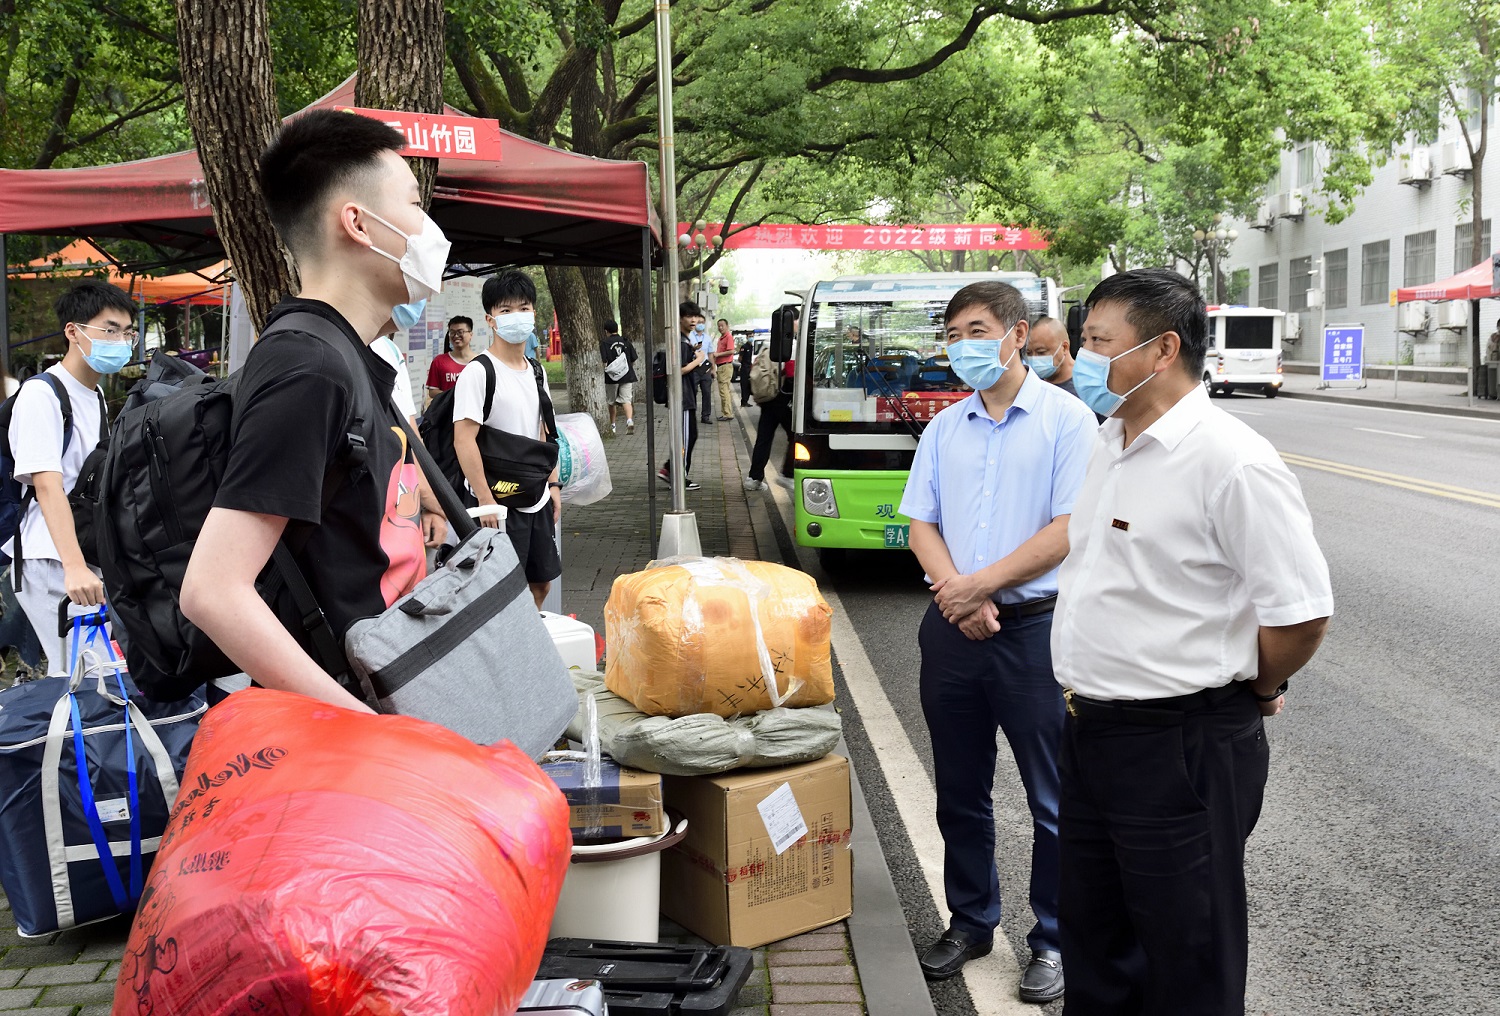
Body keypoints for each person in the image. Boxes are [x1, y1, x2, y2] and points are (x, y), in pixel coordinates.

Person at [1053, 268, 1333, 1015]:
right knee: (1095, 943)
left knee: (1187, 956)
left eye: (1098, 341)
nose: (1082, 357)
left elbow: (1301, 614)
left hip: (1180, 744)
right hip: (1089, 730)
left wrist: (1261, 688)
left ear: (1162, 349)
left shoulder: (1231, 460)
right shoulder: (1109, 440)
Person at [180, 109, 447, 711]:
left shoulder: (342, 353)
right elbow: (213, 591)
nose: (428, 227)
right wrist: (363, 725)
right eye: (414, 204)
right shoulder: (308, 366)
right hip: (343, 725)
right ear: (358, 223)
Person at [896, 282, 1095, 1003]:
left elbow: (1069, 528)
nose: (962, 346)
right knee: (959, 789)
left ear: (1015, 335)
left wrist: (979, 587)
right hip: (954, 631)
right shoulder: (945, 428)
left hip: (1037, 632)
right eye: (952, 335)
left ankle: (1054, 939)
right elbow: (921, 523)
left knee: (1053, 797)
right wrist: (959, 594)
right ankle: (972, 920)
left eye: (976, 330)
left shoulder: (1068, 422)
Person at [4, 281, 129, 676]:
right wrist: (73, 566)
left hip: (85, 551)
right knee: (90, 677)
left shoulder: (95, 396)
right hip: (51, 557)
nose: (121, 341)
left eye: (127, 332)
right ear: (73, 332)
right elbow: (47, 485)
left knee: (93, 677)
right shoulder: (42, 395)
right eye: (110, 330)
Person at [450, 271, 561, 609]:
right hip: (497, 501)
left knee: (540, 584)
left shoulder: (537, 371)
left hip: (536, 496)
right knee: (497, 592)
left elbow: (545, 431)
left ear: (534, 313)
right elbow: (463, 440)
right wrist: (485, 500)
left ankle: (528, 640)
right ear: (490, 319)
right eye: (506, 310)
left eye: (523, 308)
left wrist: (553, 485)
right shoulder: (478, 372)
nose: (517, 316)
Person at [371, 330, 447, 548]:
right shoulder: (331, 344)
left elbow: (411, 433)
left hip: (402, 513)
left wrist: (429, 501)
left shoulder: (389, 350)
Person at [743, 315, 797, 493]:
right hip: (783, 397)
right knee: (796, 436)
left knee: (764, 438)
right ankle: (787, 474)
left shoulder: (768, 346)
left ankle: (754, 478)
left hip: (768, 398)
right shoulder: (792, 346)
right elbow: (792, 375)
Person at [658, 302, 707, 491]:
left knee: (690, 436)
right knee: (686, 439)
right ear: (680, 318)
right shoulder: (680, 342)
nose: (693, 320)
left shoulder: (684, 341)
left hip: (686, 397)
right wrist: (699, 360)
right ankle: (678, 477)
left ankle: (670, 469)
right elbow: (677, 370)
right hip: (683, 398)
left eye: (695, 316)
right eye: (688, 316)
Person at [599, 318, 638, 435]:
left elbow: (604, 361)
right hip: (627, 375)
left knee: (611, 402)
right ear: (617, 329)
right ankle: (629, 421)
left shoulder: (604, 343)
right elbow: (633, 358)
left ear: (606, 331)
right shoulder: (626, 341)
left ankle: (613, 426)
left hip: (612, 377)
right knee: (626, 400)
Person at [1023, 316, 1078, 398]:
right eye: (1029, 353)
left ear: (1064, 347)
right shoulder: (1030, 384)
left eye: (1041, 352)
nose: (1034, 358)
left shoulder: (1084, 386)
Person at [425, 315, 476, 399]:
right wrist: (454, 396)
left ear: (470, 334)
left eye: (460, 332)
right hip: (448, 407)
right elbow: (432, 391)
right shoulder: (439, 361)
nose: (456, 336)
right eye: (452, 332)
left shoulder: (480, 361)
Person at [690, 319, 715, 423]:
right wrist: (694, 348)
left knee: (707, 393)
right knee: (692, 392)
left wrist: (713, 369)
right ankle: (692, 416)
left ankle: (705, 416)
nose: (700, 325)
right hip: (693, 367)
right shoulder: (690, 336)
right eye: (698, 322)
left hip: (705, 368)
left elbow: (710, 354)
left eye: (702, 323)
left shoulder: (707, 338)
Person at [713, 317, 737, 420]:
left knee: (724, 391)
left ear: (727, 326)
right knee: (724, 390)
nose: (720, 328)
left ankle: (727, 414)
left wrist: (718, 354)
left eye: (722, 326)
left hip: (725, 366)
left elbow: (731, 351)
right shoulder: (721, 338)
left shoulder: (728, 337)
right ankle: (726, 413)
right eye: (718, 326)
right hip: (721, 366)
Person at [738, 336, 755, 406]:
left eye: (752, 336)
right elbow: (740, 358)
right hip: (744, 368)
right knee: (744, 385)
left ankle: (746, 401)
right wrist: (744, 364)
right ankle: (743, 401)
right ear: (747, 337)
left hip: (749, 367)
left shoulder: (751, 347)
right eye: (750, 336)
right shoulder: (744, 347)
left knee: (748, 385)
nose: (751, 338)